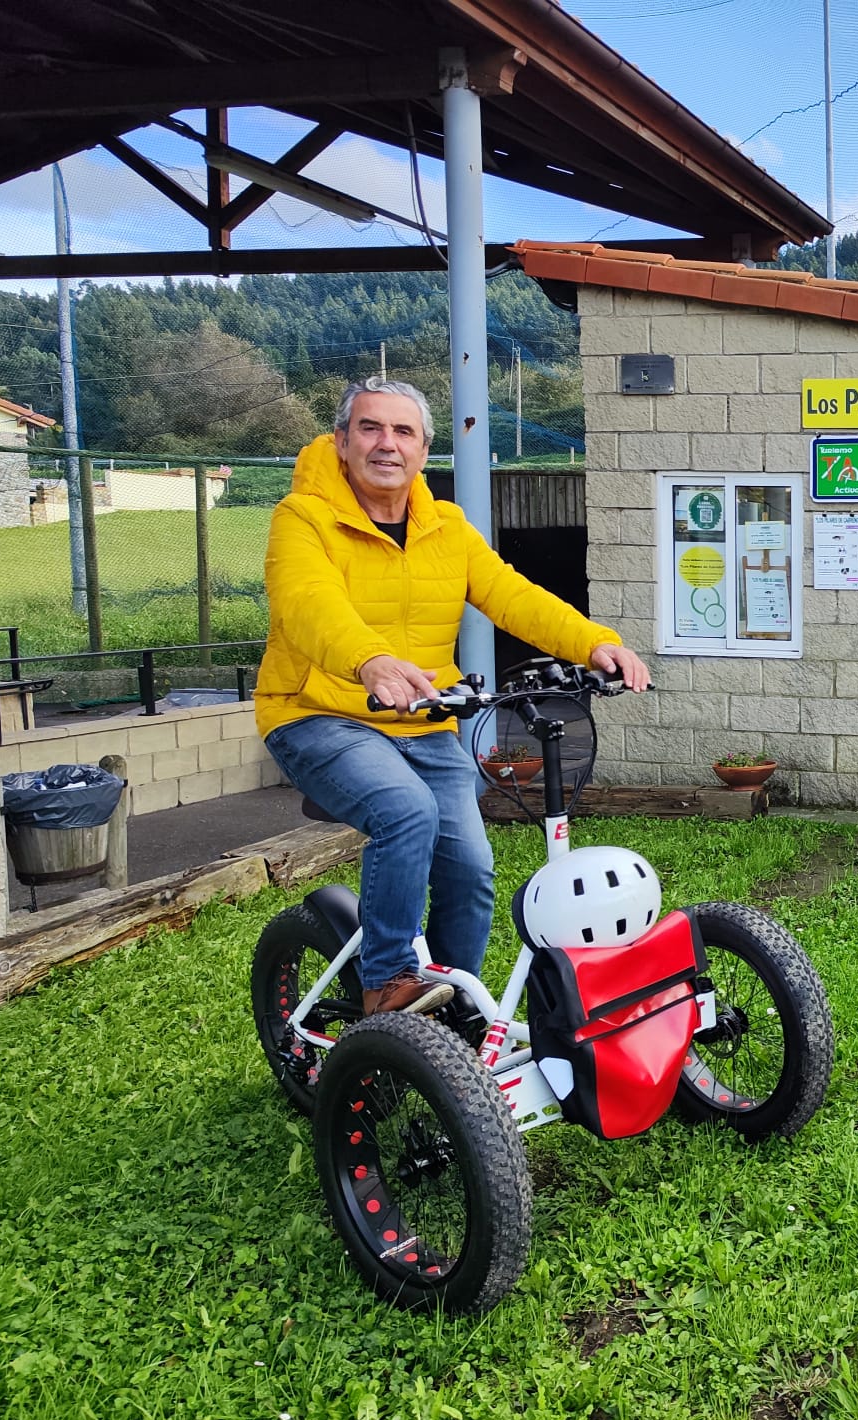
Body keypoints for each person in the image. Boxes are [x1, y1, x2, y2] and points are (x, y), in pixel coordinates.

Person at [256, 379, 649, 1018]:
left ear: (423, 449)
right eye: (370, 428)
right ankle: (387, 983)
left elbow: (512, 595)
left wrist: (593, 643)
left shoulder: (447, 526)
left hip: (424, 719)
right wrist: (370, 659)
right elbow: (307, 602)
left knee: (470, 867)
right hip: (317, 713)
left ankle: (448, 1011)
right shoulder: (302, 518)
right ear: (342, 442)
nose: (387, 444)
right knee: (406, 811)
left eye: (403, 432)